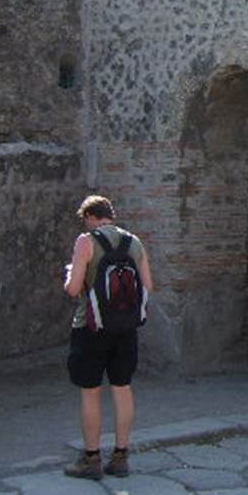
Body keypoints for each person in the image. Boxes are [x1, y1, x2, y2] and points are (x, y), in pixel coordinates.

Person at [62, 195, 153, 480]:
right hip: (125, 329)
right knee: (122, 387)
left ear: (89, 216)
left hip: (90, 328)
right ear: (111, 215)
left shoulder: (85, 241)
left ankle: (91, 459)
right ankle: (121, 456)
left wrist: (69, 275)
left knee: (91, 391)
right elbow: (148, 286)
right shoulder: (133, 242)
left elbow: (74, 288)